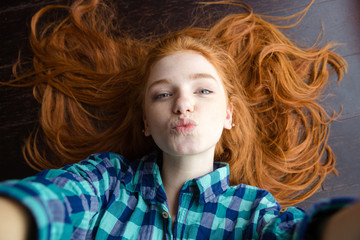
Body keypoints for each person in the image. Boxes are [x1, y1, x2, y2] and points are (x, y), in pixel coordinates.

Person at [0, 0, 359, 239]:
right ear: (145, 121)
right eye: (163, 94)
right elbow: (51, 202)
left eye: (203, 91)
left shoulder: (252, 211)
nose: (183, 104)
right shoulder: (106, 182)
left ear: (228, 115)